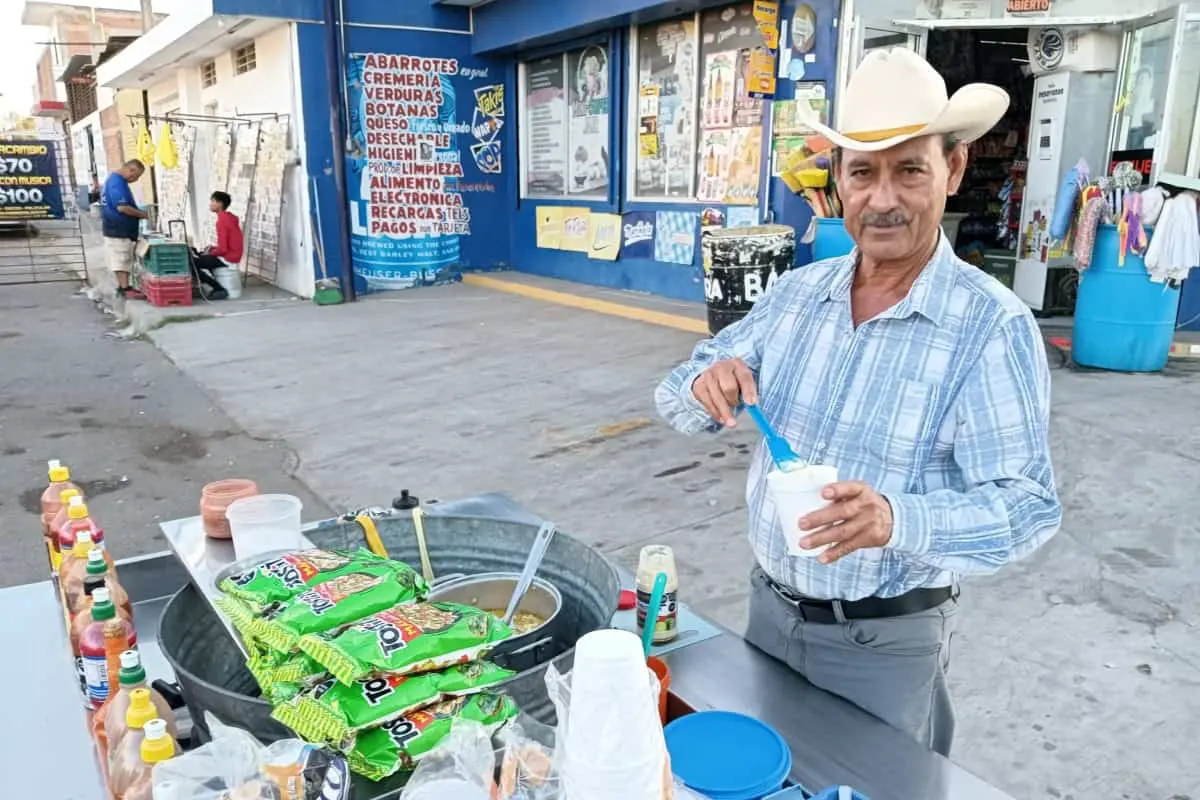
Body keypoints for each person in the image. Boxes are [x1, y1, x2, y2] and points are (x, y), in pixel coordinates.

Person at [655, 48, 1062, 757]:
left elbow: (1027, 505)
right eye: (863, 172)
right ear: (838, 182)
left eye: (910, 169)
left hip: (883, 643)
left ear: (953, 170)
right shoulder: (797, 295)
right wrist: (704, 383)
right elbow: (677, 396)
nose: (883, 198)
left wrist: (896, 518)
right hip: (767, 612)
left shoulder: (990, 327)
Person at [100, 160, 147, 299]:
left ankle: (124, 287)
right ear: (131, 170)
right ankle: (125, 288)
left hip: (117, 227)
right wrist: (142, 214)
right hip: (118, 228)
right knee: (121, 257)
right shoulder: (117, 182)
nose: (135, 180)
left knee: (123, 258)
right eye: (136, 176)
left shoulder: (114, 180)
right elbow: (122, 207)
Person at [191, 191, 243, 300]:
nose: (210, 204)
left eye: (213, 201)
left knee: (192, 264)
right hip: (233, 255)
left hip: (228, 257)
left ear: (220, 204)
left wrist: (211, 252)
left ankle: (219, 289)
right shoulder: (229, 217)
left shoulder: (222, 221)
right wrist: (212, 250)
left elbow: (223, 249)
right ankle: (211, 284)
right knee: (201, 255)